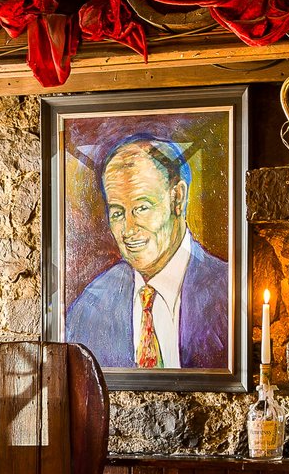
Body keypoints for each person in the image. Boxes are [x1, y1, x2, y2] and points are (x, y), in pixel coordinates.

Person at [64, 134, 229, 370]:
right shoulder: (89, 308)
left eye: (142, 207)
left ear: (178, 199)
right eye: (118, 213)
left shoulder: (228, 290)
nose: (129, 230)